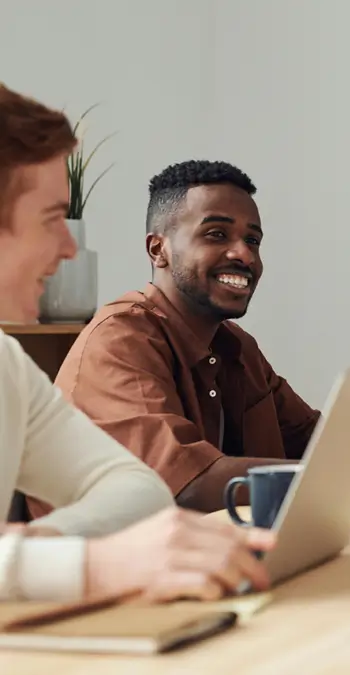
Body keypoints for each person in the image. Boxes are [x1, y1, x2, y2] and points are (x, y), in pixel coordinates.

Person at [31, 160, 350, 516]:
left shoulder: (235, 346)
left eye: (253, 239)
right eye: (216, 234)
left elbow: (313, 439)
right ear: (158, 249)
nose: (243, 254)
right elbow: (189, 485)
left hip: (214, 563)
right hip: (104, 592)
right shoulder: (121, 340)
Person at [0, 83, 274, 602]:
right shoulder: (120, 335)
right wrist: (89, 565)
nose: (68, 247)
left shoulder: (8, 366)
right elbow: (175, 488)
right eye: (52, 218)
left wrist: (30, 555)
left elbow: (140, 493)